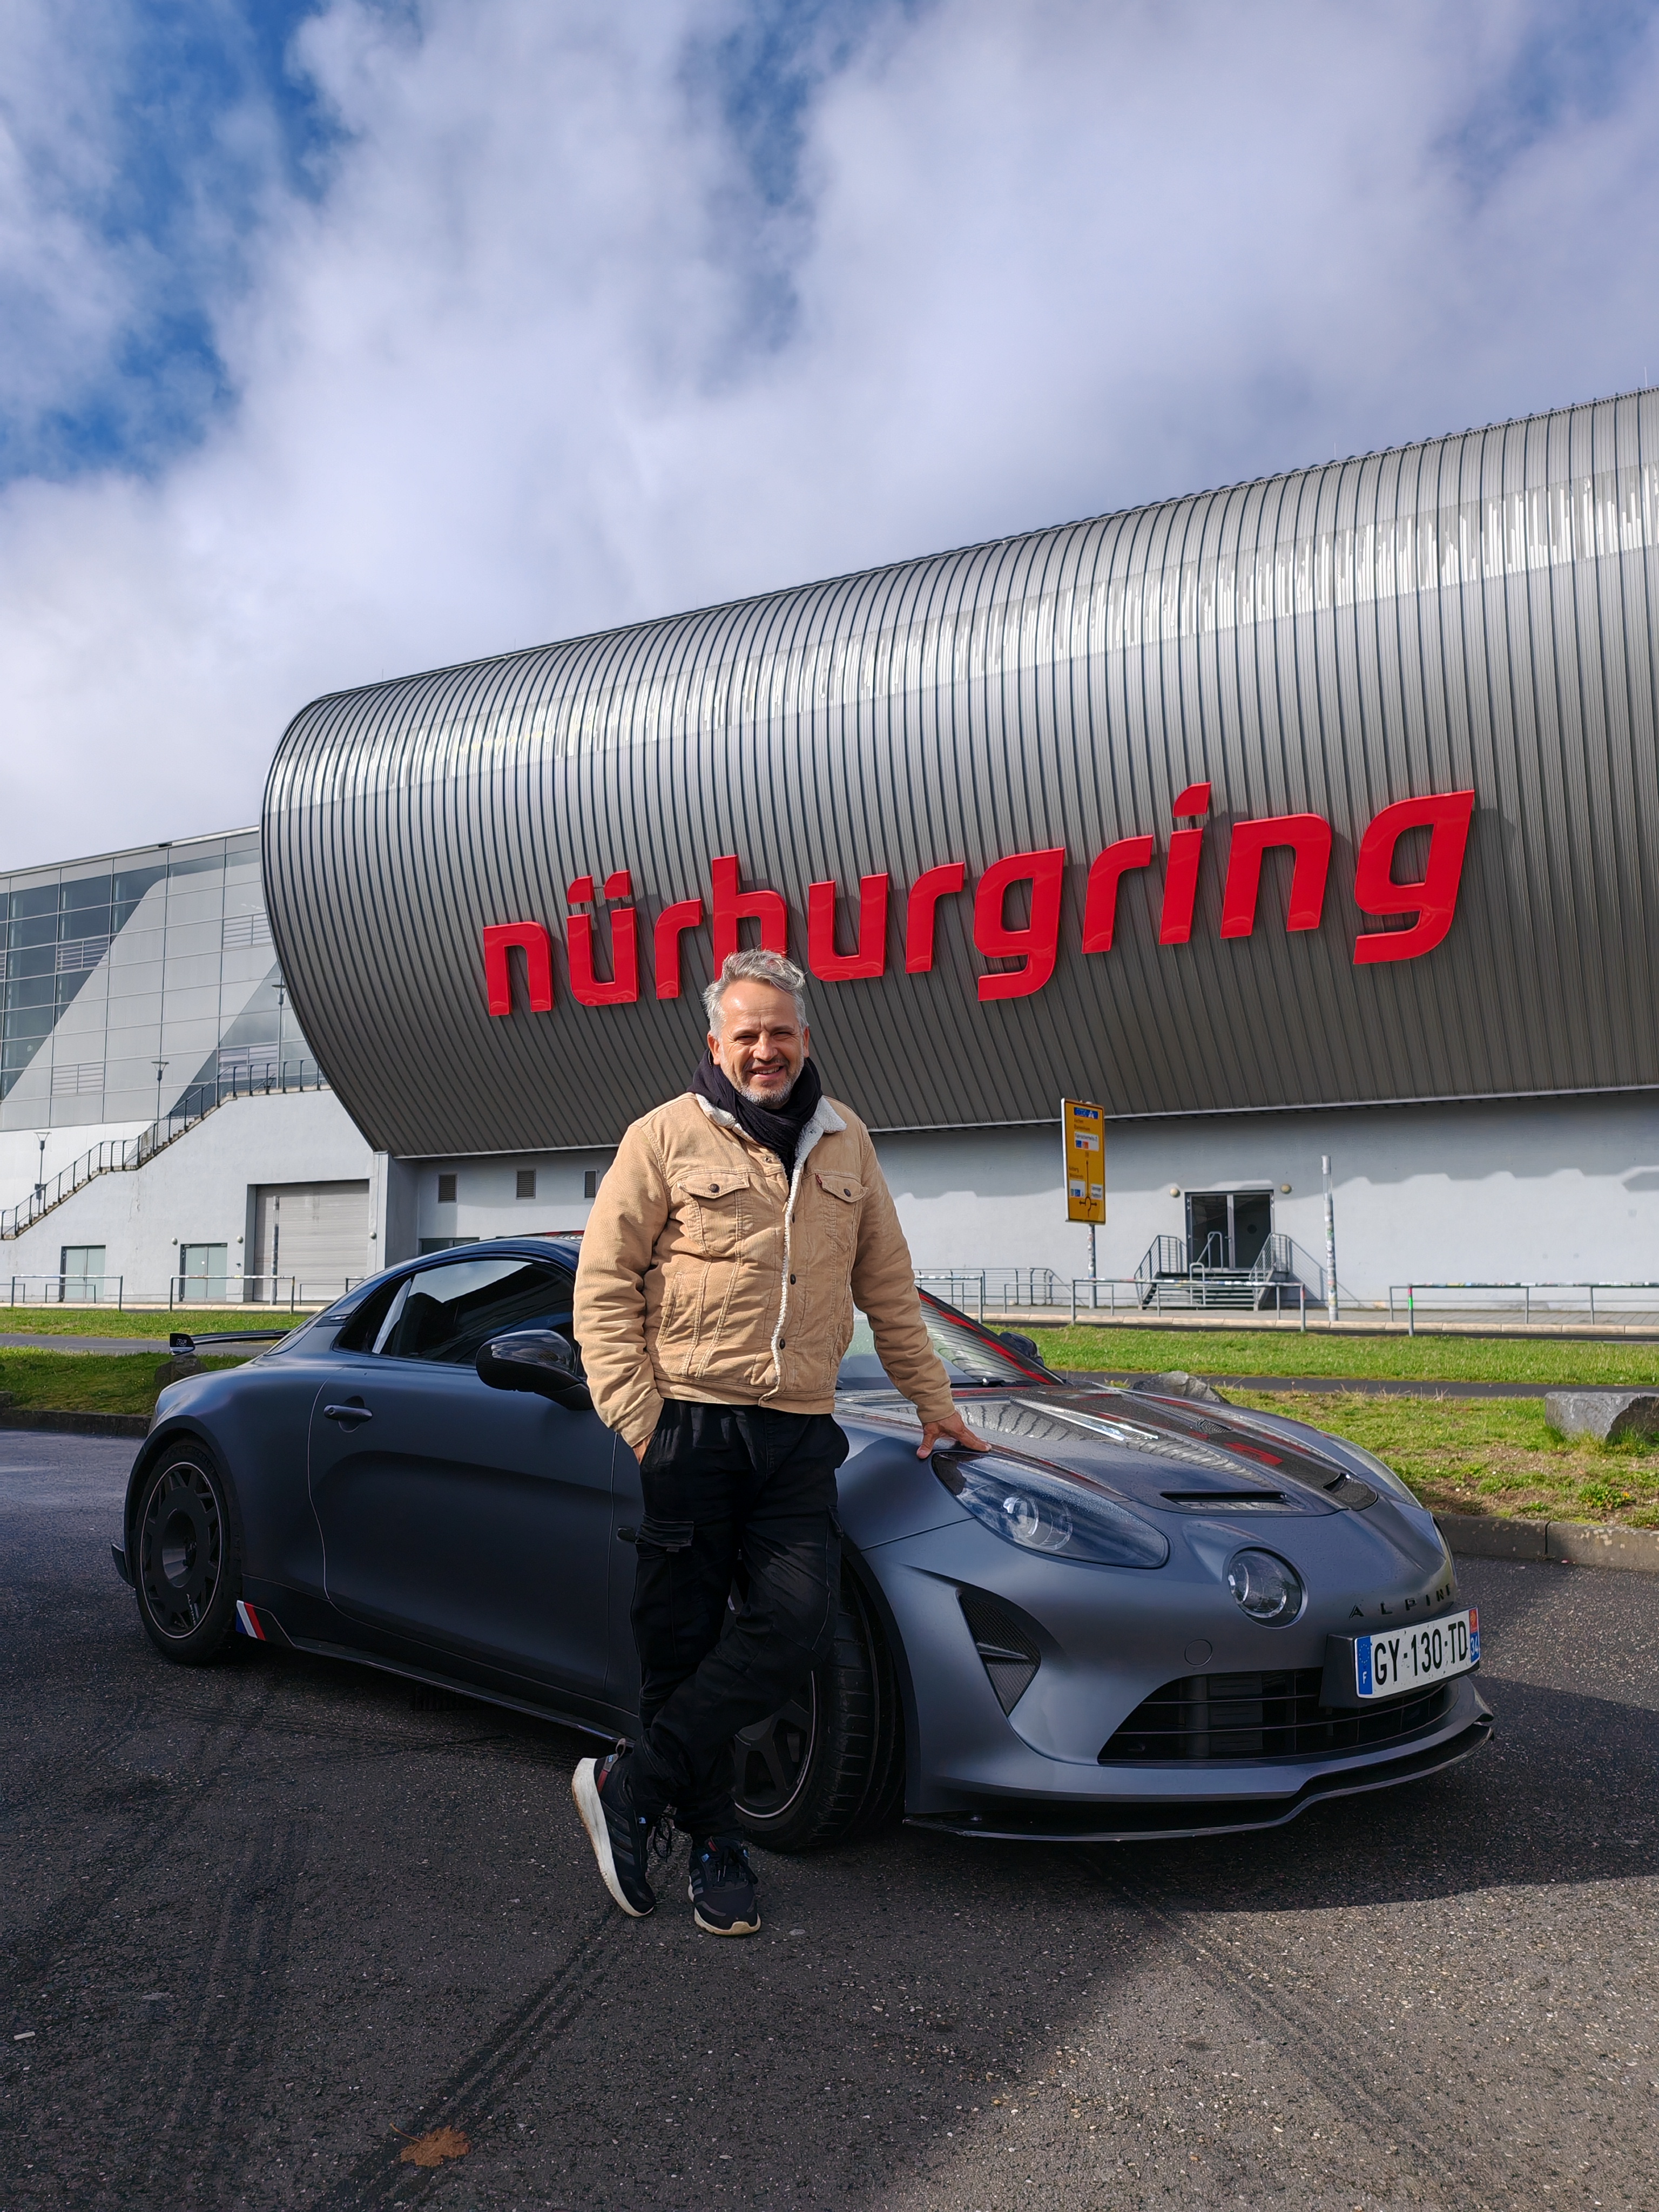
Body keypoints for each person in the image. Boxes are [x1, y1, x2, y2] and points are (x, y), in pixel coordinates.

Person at [570, 947, 987, 1936]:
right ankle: (717, 1844)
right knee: (681, 1642)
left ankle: (634, 1781)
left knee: (796, 1624)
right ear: (716, 1041)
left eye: (782, 1032)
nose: (766, 1049)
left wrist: (934, 1401)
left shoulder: (847, 1141)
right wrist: (641, 1421)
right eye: (747, 1033)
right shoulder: (662, 1137)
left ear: (807, 1038)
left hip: (799, 1431)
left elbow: (888, 1287)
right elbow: (603, 1284)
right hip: (690, 1423)